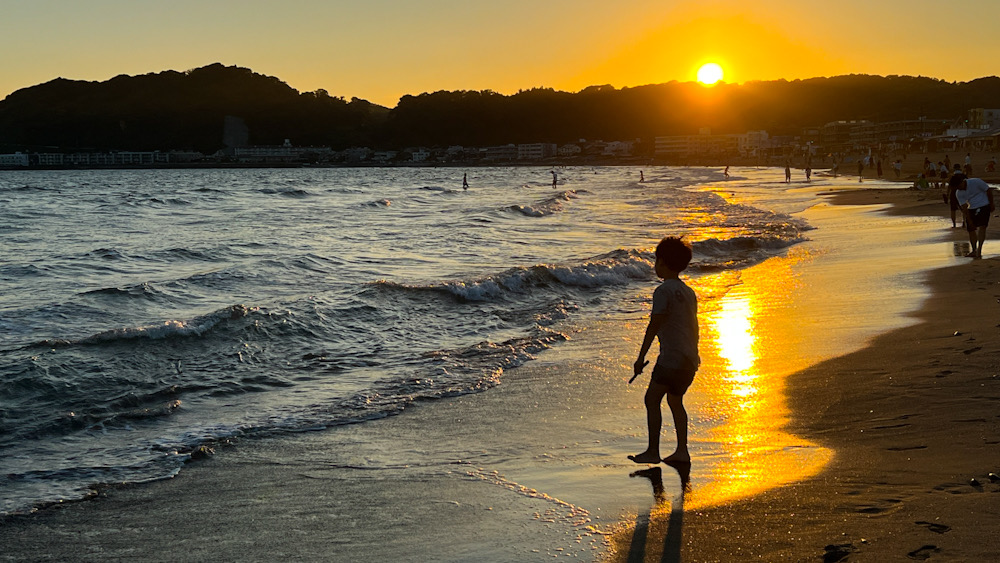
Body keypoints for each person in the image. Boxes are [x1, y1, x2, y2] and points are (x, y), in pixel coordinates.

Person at [628, 237, 700, 465]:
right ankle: (682, 450)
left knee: (652, 399)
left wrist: (640, 358)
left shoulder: (662, 291)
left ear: (663, 262)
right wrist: (694, 354)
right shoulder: (688, 292)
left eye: (656, 261)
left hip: (671, 358)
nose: (654, 265)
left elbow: (654, 325)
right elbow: (694, 326)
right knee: (675, 400)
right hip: (689, 358)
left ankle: (653, 451)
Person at [954, 174, 995, 258]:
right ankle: (974, 250)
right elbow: (964, 208)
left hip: (984, 205)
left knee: (982, 227)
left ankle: (979, 250)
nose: (959, 188)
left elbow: (988, 190)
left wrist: (991, 204)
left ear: (962, 182)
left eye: (959, 186)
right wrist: (969, 221)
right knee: (971, 229)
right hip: (972, 208)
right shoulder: (958, 193)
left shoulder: (976, 182)